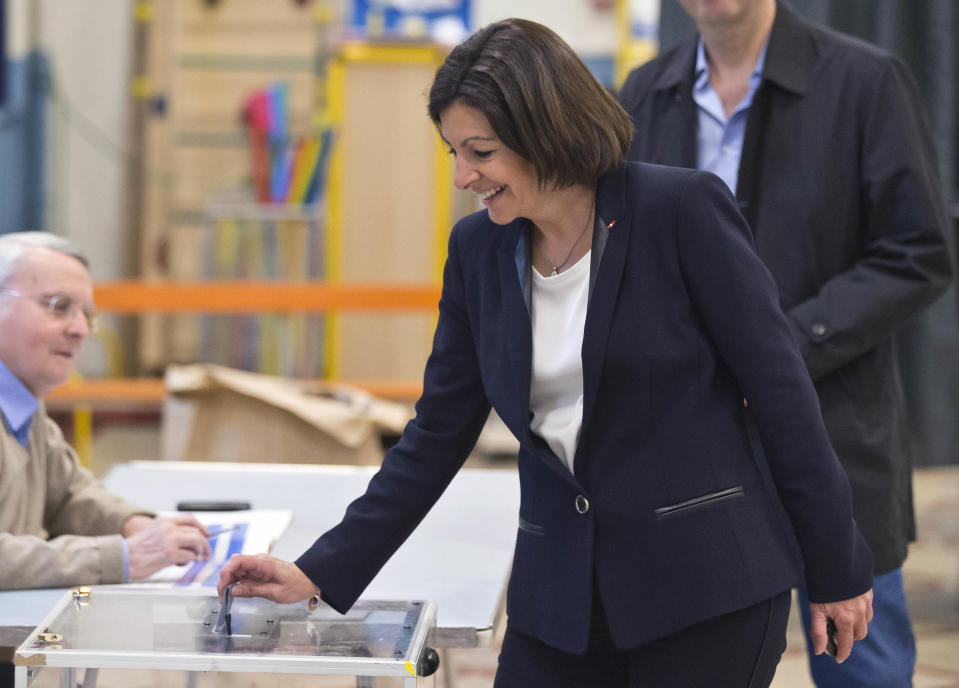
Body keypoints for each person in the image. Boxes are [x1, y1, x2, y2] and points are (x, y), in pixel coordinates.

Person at [219, 19, 875, 686]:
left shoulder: (680, 212)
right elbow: (435, 434)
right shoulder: (478, 252)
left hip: (701, 591)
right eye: (452, 153)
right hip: (558, 603)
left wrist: (836, 566)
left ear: (544, 131)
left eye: (479, 152)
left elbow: (781, 396)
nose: (462, 177)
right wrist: (319, 569)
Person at [618, 1, 953, 685]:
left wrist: (781, 348)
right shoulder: (644, 93)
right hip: (691, 449)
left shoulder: (866, 81)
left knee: (862, 664)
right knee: (691, 665)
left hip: (835, 431)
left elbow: (916, 253)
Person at [0, 231, 212, 590]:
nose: (80, 329)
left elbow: (69, 494)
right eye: (57, 306)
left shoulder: (23, 402)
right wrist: (124, 555)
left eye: (86, 314)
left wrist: (133, 525)